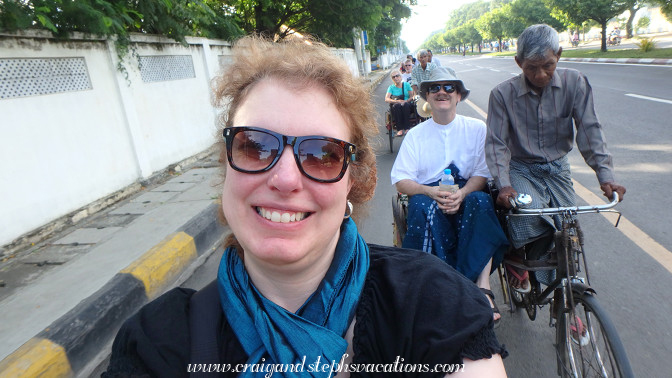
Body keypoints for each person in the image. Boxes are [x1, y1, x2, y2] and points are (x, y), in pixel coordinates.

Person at [103, 36, 507, 377]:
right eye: (254, 147)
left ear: (355, 182)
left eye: (322, 154)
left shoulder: (434, 307)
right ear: (226, 165)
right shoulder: (158, 343)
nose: (284, 179)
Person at [485, 24, 626, 292]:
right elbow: (497, 144)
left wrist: (606, 176)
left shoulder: (576, 83)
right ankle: (517, 257)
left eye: (548, 65)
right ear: (518, 63)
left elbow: (590, 130)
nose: (540, 75)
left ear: (559, 55)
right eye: (530, 68)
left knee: (567, 231)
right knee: (528, 215)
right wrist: (503, 183)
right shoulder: (502, 95)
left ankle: (567, 301)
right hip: (521, 168)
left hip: (558, 168)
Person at [391, 66, 509, 325]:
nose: (441, 92)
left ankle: (482, 287)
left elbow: (482, 173)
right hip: (429, 196)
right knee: (420, 205)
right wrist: (428, 191)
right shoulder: (415, 136)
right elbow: (401, 179)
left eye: (448, 88)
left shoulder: (477, 128)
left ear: (458, 96)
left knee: (481, 200)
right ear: (427, 97)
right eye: (435, 88)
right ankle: (434, 288)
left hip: (466, 194)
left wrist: (464, 193)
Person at [385, 70, 415, 136]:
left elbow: (412, 96)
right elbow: (386, 99)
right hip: (397, 107)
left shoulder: (406, 85)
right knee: (396, 106)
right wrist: (397, 101)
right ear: (392, 79)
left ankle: (407, 128)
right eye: (393, 77)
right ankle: (400, 129)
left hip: (408, 105)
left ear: (401, 77)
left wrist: (406, 101)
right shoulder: (391, 87)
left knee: (406, 105)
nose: (395, 78)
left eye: (397, 76)